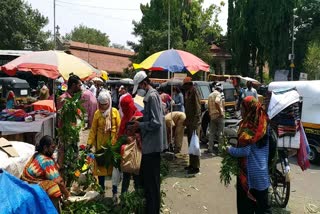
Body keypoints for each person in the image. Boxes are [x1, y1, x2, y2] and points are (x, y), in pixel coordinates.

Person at [128, 70, 167, 214]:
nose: (138, 91)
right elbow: (150, 117)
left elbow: (156, 122)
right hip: (149, 146)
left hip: (152, 146)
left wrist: (140, 125)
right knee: (149, 183)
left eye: (139, 88)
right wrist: (139, 119)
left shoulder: (152, 96)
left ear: (144, 83)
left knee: (152, 185)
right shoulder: (150, 96)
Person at [227, 96, 271, 214]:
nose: (241, 111)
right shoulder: (265, 123)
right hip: (262, 173)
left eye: (242, 108)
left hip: (248, 175)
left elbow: (244, 151)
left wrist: (229, 150)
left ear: (248, 109)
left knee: (245, 208)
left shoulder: (248, 127)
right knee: (262, 208)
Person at [87, 91, 121, 200]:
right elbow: (93, 131)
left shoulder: (115, 112)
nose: (103, 107)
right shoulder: (97, 113)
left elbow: (120, 129)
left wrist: (119, 144)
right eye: (101, 105)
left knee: (113, 171)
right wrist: (89, 144)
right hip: (100, 147)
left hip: (112, 147)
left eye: (105, 104)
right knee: (101, 170)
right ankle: (103, 192)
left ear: (109, 102)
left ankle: (113, 193)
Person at [21, 135, 69, 211]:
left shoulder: (38, 155)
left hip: (29, 184)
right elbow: (59, 181)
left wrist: (61, 156)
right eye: (52, 147)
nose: (54, 150)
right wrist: (67, 195)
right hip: (35, 187)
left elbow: (57, 167)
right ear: (45, 148)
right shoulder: (46, 161)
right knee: (54, 188)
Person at [118, 94, 143, 194]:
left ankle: (137, 198)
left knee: (137, 175)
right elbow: (120, 133)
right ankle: (124, 198)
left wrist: (134, 138)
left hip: (137, 149)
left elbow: (143, 133)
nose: (124, 110)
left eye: (126, 107)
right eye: (123, 107)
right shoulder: (124, 118)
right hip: (126, 150)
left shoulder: (139, 116)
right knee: (126, 176)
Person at [182, 77, 201, 174]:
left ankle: (196, 166)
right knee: (190, 144)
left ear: (189, 84)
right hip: (189, 122)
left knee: (195, 144)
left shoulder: (194, 92)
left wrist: (195, 123)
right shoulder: (188, 93)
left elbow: (197, 109)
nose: (183, 87)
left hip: (194, 123)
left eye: (184, 85)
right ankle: (191, 164)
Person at [207, 83, 225, 153]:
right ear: (220, 89)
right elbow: (217, 102)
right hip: (219, 116)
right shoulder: (218, 94)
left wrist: (210, 113)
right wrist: (220, 112)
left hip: (212, 116)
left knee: (212, 133)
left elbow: (208, 106)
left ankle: (210, 148)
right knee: (220, 133)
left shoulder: (210, 95)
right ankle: (220, 150)